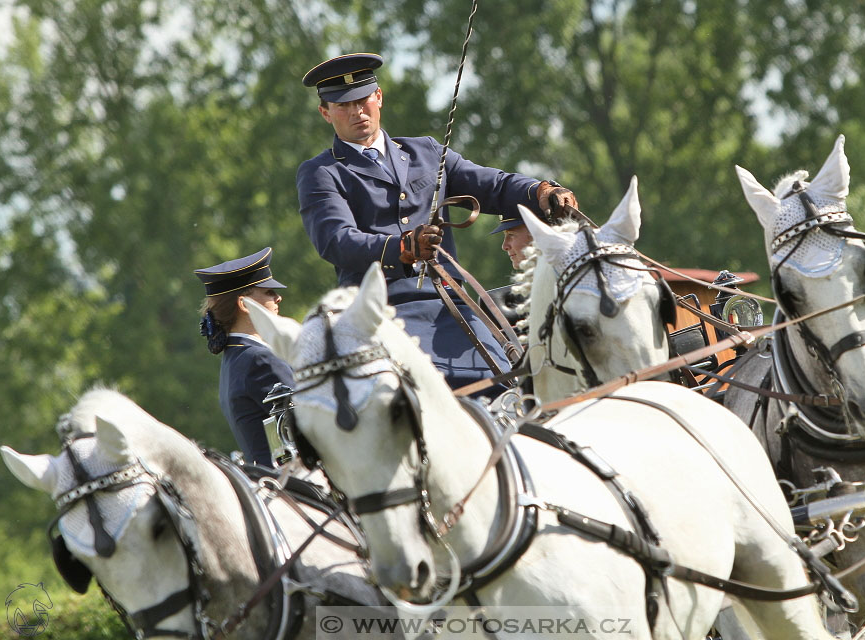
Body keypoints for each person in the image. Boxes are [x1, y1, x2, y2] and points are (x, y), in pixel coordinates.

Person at [296, 52, 577, 391]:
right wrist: (400, 247)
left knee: (510, 387)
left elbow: (492, 185)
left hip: (452, 303)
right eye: (343, 105)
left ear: (379, 97)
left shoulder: (426, 152)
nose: (357, 111)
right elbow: (336, 240)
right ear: (325, 112)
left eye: (363, 100)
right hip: (381, 313)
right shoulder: (321, 173)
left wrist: (540, 192)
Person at [194, 247, 293, 467]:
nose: (278, 298)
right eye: (268, 292)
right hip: (294, 489)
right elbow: (311, 427)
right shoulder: (259, 360)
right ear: (243, 304)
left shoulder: (237, 356)